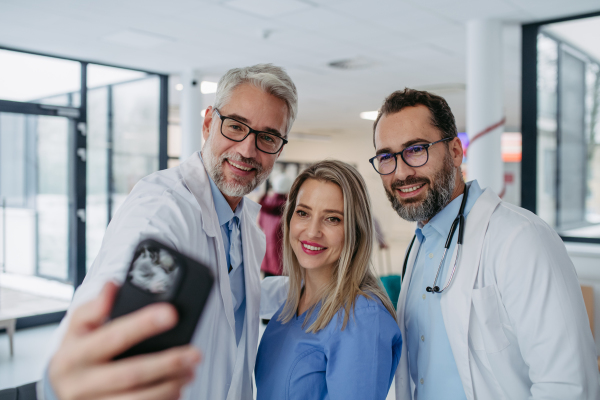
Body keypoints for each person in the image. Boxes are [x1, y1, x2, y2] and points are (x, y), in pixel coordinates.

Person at [42, 63, 298, 400]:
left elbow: (232, 300)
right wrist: (76, 373)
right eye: (236, 126)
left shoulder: (245, 226)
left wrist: (310, 287)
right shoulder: (162, 208)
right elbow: (113, 310)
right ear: (209, 123)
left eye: (267, 137)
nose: (248, 150)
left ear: (279, 149)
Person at [368, 88, 600, 399]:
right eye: (387, 157)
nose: (401, 171)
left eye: (416, 149)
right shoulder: (419, 246)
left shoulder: (521, 239)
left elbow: (569, 385)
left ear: (455, 152)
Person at [255, 160, 402, 400]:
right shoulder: (293, 300)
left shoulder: (362, 319)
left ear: (356, 229)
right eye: (303, 213)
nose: (312, 231)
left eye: (332, 219)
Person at [258, 172, 292, 277]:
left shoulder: (265, 203)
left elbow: (260, 224)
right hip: (282, 257)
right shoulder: (288, 207)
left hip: (266, 253)